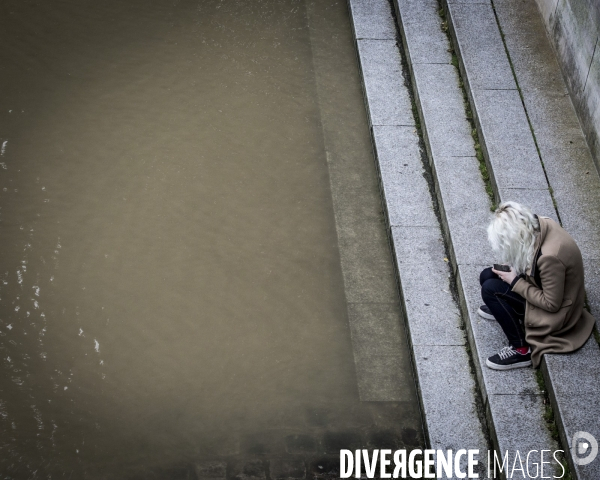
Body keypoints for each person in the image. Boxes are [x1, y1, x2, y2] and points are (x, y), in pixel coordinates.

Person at [478, 201, 595, 370]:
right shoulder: (538, 224)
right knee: (487, 275)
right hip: (542, 287)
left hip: (558, 315)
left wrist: (514, 281)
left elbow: (552, 304)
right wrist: (513, 265)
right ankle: (505, 311)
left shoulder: (550, 258)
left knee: (490, 290)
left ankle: (521, 349)